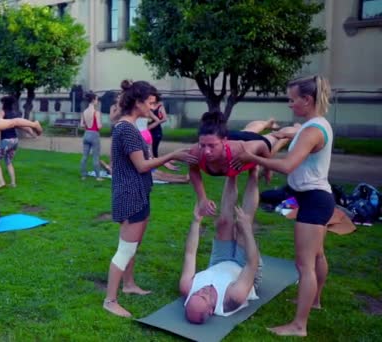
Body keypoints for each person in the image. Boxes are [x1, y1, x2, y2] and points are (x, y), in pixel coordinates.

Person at [232, 75, 334, 337]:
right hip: (310, 196)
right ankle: (316, 301)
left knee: (305, 264)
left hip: (313, 199)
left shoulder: (312, 131)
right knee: (317, 255)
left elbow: (288, 166)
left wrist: (251, 157)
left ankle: (299, 325)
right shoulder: (315, 124)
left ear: (307, 100)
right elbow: (288, 134)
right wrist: (277, 135)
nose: (289, 104)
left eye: (292, 99)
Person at [103, 80, 197, 318]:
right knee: (126, 249)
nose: (154, 108)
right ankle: (110, 300)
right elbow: (142, 165)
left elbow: (144, 161)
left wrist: (166, 162)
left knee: (134, 245)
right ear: (137, 102)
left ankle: (129, 284)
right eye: (151, 103)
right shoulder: (125, 128)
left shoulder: (130, 126)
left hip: (139, 191)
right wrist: (171, 154)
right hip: (130, 195)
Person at [180, 174, 262, 324]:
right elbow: (252, 264)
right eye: (204, 296)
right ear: (211, 310)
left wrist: (196, 220)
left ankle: (232, 172)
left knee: (223, 222)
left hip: (219, 263)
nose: (202, 289)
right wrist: (247, 229)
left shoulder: (187, 287)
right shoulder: (233, 296)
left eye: (197, 293)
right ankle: (253, 172)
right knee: (243, 225)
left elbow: (190, 254)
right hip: (243, 267)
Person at [189, 112, 298, 216]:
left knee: (274, 138)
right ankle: (267, 123)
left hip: (251, 143)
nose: (207, 151)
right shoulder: (210, 143)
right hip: (236, 138)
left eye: (210, 147)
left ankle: (295, 129)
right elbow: (189, 160)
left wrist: (267, 168)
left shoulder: (230, 146)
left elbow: (262, 147)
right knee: (249, 130)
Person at [0, 96, 34, 189]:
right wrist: (32, 132)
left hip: (6, 140)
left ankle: (1, 182)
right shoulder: (14, 114)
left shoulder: (1, 112)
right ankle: (13, 183)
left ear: (3, 103)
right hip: (14, 140)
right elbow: (23, 125)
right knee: (8, 161)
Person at [80, 91, 103, 180]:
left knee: (84, 156)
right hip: (94, 135)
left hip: (86, 134)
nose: (97, 101)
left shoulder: (84, 112)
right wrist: (100, 124)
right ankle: (98, 176)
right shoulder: (96, 112)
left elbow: (82, 125)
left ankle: (83, 175)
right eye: (97, 99)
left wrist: (87, 125)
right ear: (93, 100)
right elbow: (99, 126)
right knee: (95, 156)